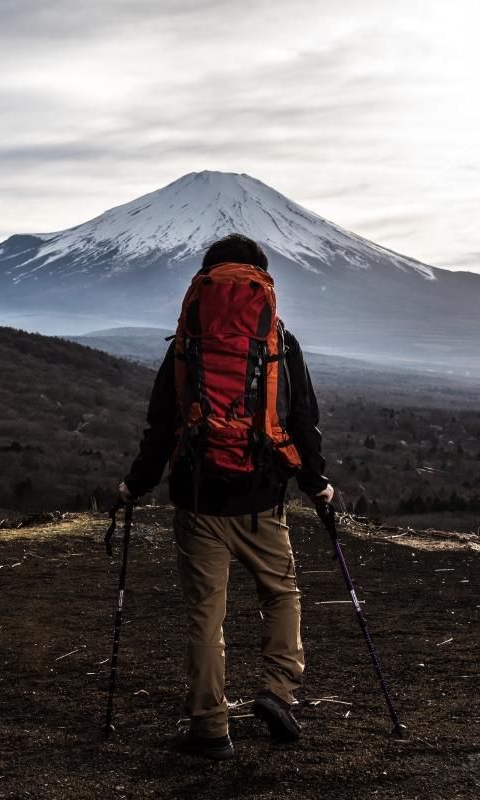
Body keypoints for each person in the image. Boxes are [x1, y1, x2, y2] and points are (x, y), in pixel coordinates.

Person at [119, 233, 334, 761]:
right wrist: (317, 483)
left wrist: (135, 485)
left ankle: (210, 728)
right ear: (263, 279)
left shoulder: (186, 344)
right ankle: (277, 691)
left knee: (205, 616)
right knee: (281, 596)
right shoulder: (280, 341)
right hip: (262, 500)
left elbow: (161, 427)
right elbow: (302, 422)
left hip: (197, 501)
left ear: (203, 281)